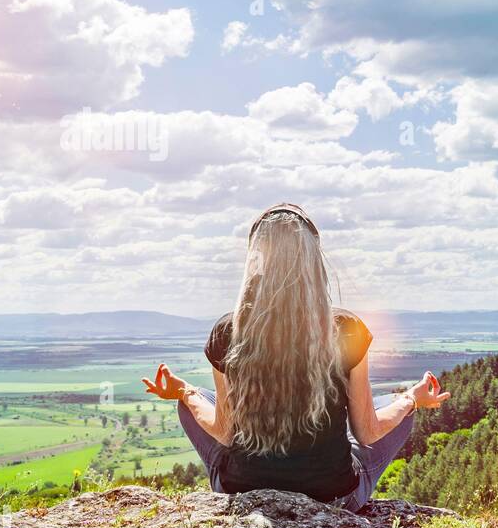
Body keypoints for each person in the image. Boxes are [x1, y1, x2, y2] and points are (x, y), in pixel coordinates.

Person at [141, 204, 449, 511]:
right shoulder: (344, 328)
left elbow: (224, 431)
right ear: (314, 262)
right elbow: (367, 432)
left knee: (195, 400)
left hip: (241, 490)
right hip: (335, 497)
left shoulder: (228, 331)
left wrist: (184, 392)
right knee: (394, 406)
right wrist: (411, 399)